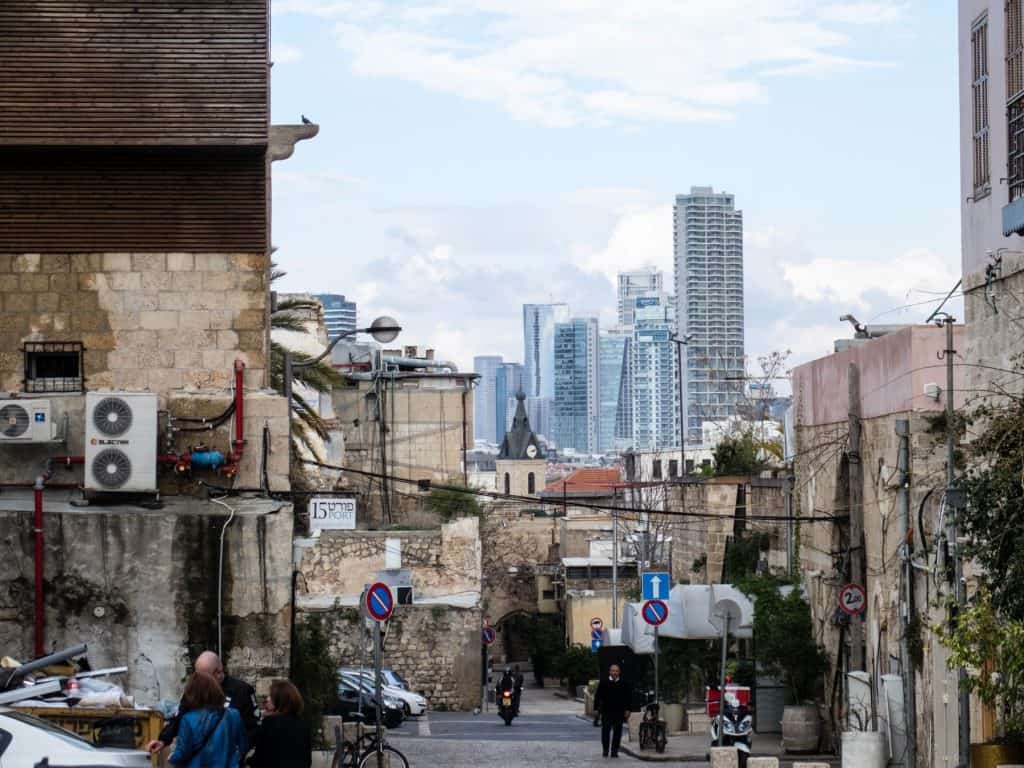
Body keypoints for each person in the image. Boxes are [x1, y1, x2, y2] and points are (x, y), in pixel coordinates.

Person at [148, 651, 259, 755]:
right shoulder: (195, 690)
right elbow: (179, 718)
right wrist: (163, 740)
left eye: (203, 677)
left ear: (218, 672)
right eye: (197, 676)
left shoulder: (242, 691)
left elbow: (253, 728)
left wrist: (236, 752)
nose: (198, 681)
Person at [168, 672, 247, 768]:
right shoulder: (234, 715)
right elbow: (243, 746)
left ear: (192, 693)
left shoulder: (188, 719)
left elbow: (182, 753)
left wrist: (171, 757)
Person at [248, 680, 311, 768]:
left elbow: (261, 757)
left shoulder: (271, 722)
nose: (267, 699)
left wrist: (248, 761)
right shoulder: (303, 724)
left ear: (281, 700)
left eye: (271, 696)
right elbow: (306, 759)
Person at [593, 664, 631, 758]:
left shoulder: (624, 683)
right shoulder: (604, 682)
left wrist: (628, 709)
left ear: (619, 672)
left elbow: (628, 697)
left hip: (619, 712)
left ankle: (614, 751)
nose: (614, 673)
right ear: (610, 672)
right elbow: (597, 696)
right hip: (606, 712)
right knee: (605, 732)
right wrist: (596, 709)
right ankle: (605, 750)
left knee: (617, 733)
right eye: (613, 671)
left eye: (616, 671)